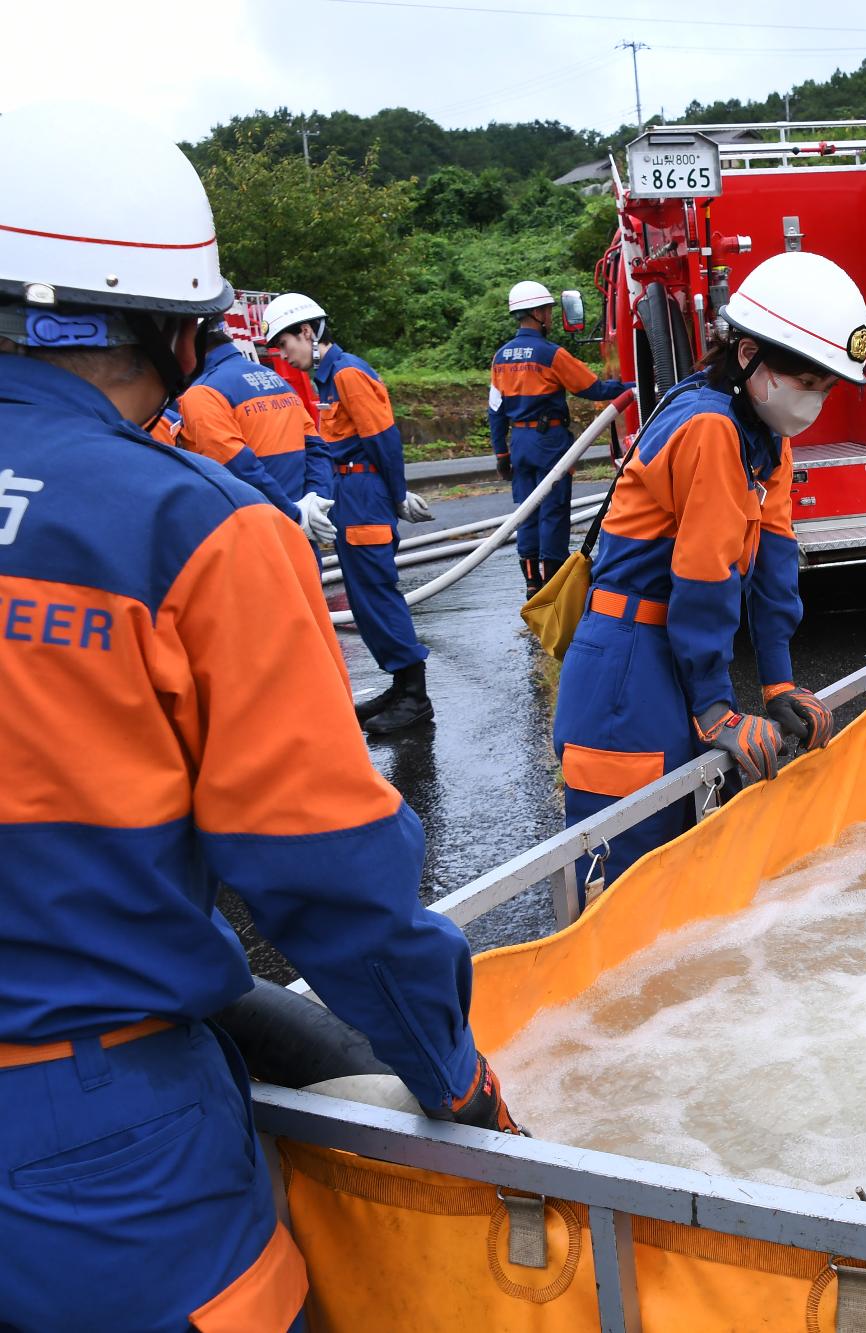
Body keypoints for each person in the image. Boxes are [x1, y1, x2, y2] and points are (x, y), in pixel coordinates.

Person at [0, 102, 518, 1333]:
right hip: (94, 1144)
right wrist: (452, 1071)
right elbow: (323, 869)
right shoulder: (190, 528)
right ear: (185, 334)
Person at [549, 251, 852, 902]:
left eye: (826, 388)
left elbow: (773, 569)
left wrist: (778, 685)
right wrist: (716, 708)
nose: (814, 401)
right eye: (807, 381)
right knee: (626, 878)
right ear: (746, 354)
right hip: (627, 668)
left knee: (679, 859)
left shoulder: (764, 432)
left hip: (667, 657)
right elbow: (705, 583)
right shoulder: (711, 425)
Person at [265, 291, 437, 735]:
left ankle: (415, 697)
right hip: (349, 490)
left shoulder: (347, 374)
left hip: (364, 492)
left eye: (285, 344)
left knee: (377, 592)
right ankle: (401, 687)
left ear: (307, 331)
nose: (283, 355)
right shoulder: (328, 377)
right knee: (362, 597)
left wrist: (398, 495)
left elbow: (384, 439)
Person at [489, 280, 630, 596]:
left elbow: (495, 411)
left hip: (519, 444)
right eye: (549, 311)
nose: (551, 317)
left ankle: (531, 581)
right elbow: (591, 388)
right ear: (537, 313)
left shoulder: (501, 356)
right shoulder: (549, 353)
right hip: (549, 441)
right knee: (553, 510)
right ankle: (553, 583)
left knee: (526, 511)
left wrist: (501, 454)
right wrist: (630, 387)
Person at [177, 312, 332, 539]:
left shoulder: (202, 394)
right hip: (302, 534)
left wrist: (294, 516)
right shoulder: (277, 381)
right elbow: (316, 449)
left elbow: (237, 469)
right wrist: (314, 505)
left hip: (255, 537)